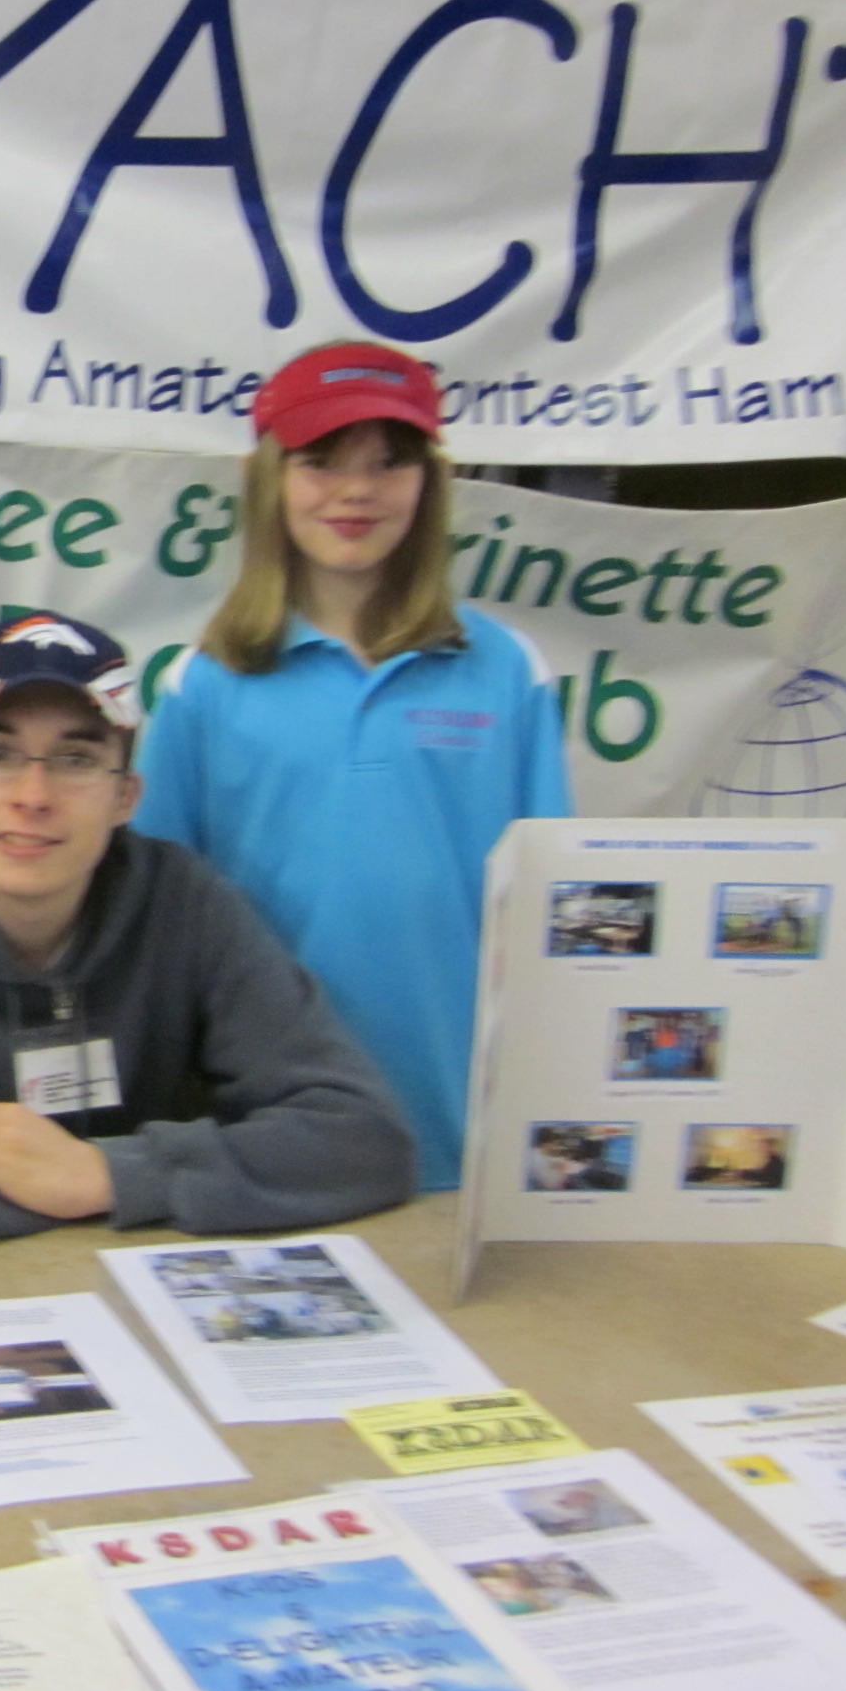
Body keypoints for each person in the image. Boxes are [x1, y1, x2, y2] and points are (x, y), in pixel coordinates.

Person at [0, 610, 414, 1250]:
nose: (33, 795)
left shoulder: (188, 904)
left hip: (120, 1291)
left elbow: (365, 1139)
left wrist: (106, 1176)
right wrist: (70, 1193)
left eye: (75, 759)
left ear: (125, 797)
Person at [133, 342, 570, 1190]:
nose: (356, 491)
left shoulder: (510, 672)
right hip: (271, 1130)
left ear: (431, 482)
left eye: (389, 462)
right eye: (322, 461)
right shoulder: (205, 684)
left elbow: (552, 916)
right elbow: (159, 928)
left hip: (462, 1131)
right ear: (267, 478)